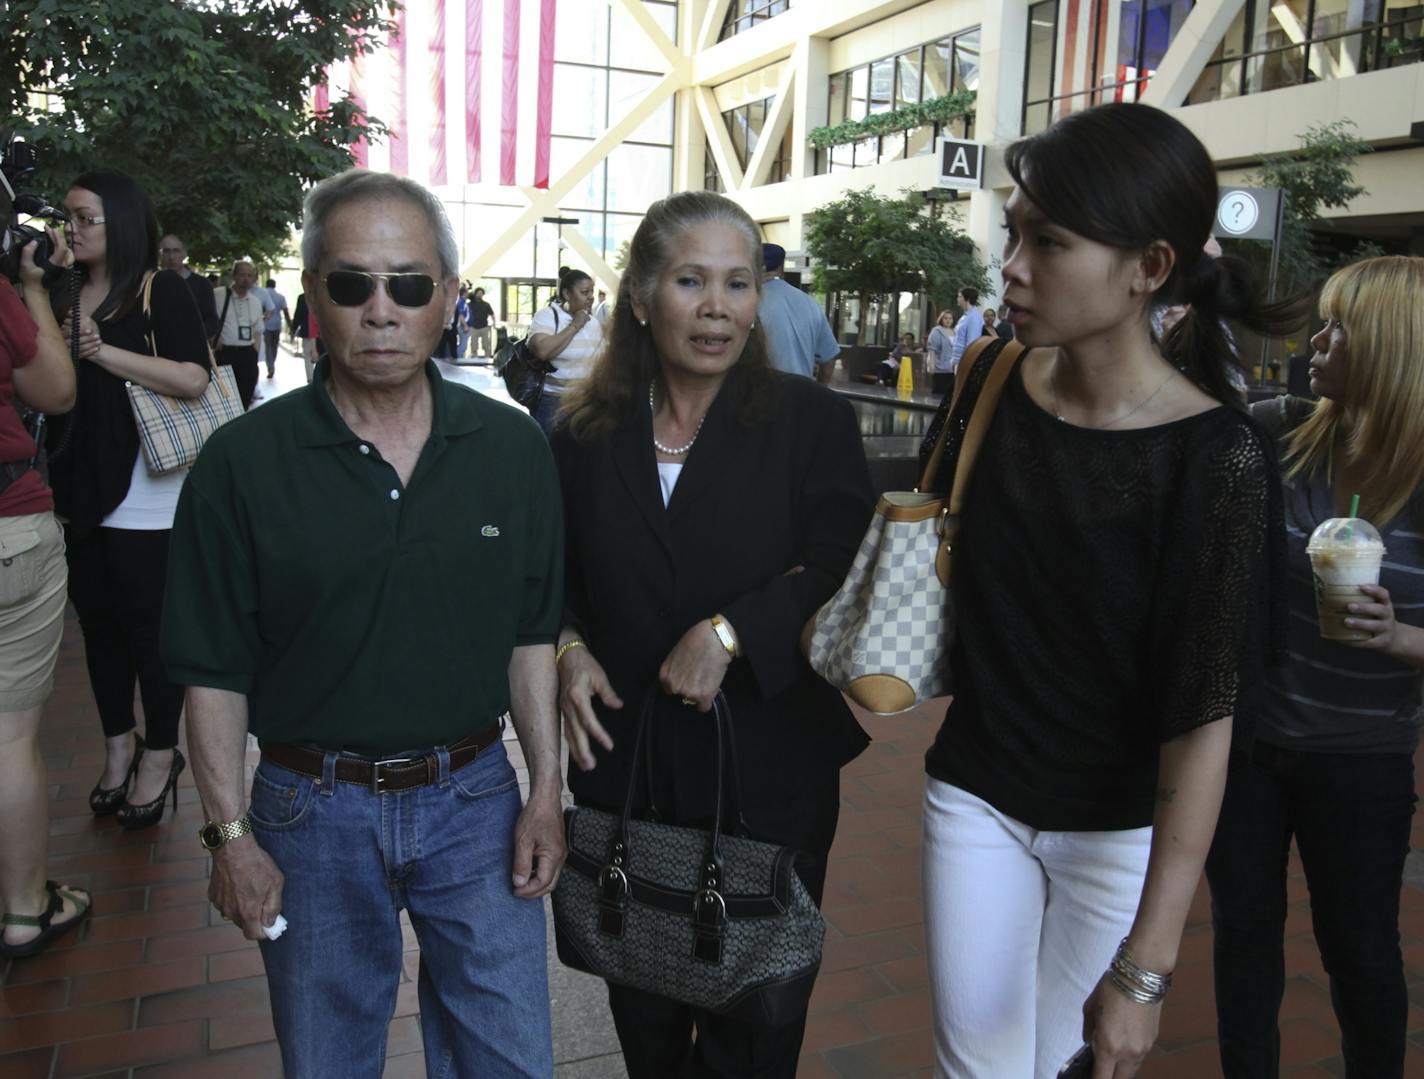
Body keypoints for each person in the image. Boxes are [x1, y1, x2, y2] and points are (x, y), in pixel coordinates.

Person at [919, 102, 1303, 1078]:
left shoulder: (1216, 456)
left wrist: (1148, 963)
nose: (1012, 263)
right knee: (980, 1068)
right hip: (975, 790)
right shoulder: (991, 378)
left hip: (1118, 824)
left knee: (1057, 1065)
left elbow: (1203, 713)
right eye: (1012, 232)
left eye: (1047, 240)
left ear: (1150, 267)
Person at [160, 168, 566, 1078]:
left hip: (474, 801)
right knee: (328, 1058)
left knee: (511, 1056)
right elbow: (212, 670)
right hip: (309, 809)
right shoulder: (242, 463)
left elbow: (530, 635)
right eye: (352, 284)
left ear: (448, 298)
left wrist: (545, 789)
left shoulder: (510, 450)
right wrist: (230, 836)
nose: (381, 310)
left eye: (409, 284)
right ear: (313, 299)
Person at [552, 190, 874, 1079]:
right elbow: (550, 582)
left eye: (738, 284)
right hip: (629, 765)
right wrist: (567, 647)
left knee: (754, 1024)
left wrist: (734, 631)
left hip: (769, 766)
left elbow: (841, 557)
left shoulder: (811, 422)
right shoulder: (584, 435)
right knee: (646, 1009)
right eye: (691, 280)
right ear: (644, 295)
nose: (717, 306)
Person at [1206, 255, 1424, 1079]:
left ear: (1395, 348)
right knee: (1245, 941)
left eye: (1340, 327)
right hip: (1253, 749)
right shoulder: (1280, 433)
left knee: (1361, 951)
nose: (1317, 340)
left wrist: (1401, 639)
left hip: (1363, 757)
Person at [47, 169, 211, 831]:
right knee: (99, 627)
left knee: (149, 633)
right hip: (78, 483)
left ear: (119, 221)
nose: (73, 229)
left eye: (87, 217)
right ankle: (118, 745)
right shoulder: (58, 291)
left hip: (149, 491)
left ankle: (160, 751)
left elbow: (194, 377)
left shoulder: (157, 289)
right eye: (69, 217)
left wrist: (102, 353)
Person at [0, 226, 88, 957]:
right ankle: (26, 908)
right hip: (9, 528)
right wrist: (31, 286)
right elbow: (56, 390)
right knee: (10, 736)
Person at [527, 265, 602, 435]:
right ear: (567, 294)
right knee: (551, 457)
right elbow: (542, 351)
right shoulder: (547, 316)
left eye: (592, 292)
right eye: (584, 292)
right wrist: (575, 325)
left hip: (586, 401)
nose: (590, 297)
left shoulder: (594, 322)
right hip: (553, 402)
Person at [757, 242, 840, 380]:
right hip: (802, 395)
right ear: (781, 267)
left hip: (759, 395)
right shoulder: (811, 304)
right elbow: (829, 359)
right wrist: (817, 391)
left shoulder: (748, 302)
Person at [212, 260, 272, 409]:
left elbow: (258, 331)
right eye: (242, 274)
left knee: (245, 397)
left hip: (247, 354)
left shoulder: (255, 302)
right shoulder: (219, 295)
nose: (246, 279)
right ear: (234, 275)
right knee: (223, 398)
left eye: (250, 275)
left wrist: (254, 352)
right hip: (225, 353)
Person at [157, 234, 219, 341]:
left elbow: (212, 321)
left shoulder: (202, 284)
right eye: (166, 251)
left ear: (184, 253)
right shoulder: (152, 282)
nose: (171, 257)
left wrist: (193, 336)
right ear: (159, 254)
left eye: (176, 251)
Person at [948, 286, 983, 376]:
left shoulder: (974, 317)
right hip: (958, 360)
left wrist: (967, 363)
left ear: (966, 299)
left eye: (959, 296)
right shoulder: (965, 316)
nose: (958, 299)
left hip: (965, 362)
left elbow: (972, 343)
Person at [261, 278, 290, 379]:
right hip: (277, 324)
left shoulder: (263, 296)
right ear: (274, 285)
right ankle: (272, 362)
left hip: (266, 324)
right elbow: (286, 312)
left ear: (266, 285)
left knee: (268, 346)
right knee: (274, 346)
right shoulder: (281, 297)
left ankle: (270, 367)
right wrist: (290, 325)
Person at [926, 309, 956, 396]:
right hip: (940, 369)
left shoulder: (956, 331)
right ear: (941, 319)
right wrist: (930, 365)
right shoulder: (936, 331)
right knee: (939, 394)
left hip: (953, 369)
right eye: (945, 318)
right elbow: (932, 350)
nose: (948, 320)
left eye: (950, 318)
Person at [469, 286, 495, 357]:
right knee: (474, 345)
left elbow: (492, 314)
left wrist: (494, 323)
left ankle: (487, 359)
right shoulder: (470, 304)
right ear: (475, 294)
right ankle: (474, 360)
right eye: (478, 293)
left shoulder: (486, 304)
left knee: (486, 345)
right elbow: (465, 315)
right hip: (473, 327)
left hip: (484, 327)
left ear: (483, 294)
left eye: (481, 293)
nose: (479, 294)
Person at [453, 282, 472, 359]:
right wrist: (465, 326)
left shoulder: (463, 302)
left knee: (463, 344)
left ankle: (460, 357)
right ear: (464, 293)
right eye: (467, 292)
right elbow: (461, 315)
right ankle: (459, 358)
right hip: (462, 326)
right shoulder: (461, 302)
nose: (468, 294)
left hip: (464, 326)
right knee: (463, 345)